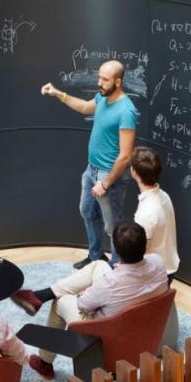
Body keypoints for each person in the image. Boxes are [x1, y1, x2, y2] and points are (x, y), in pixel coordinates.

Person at [10, 221, 169, 379]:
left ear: (117, 251)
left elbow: (83, 305)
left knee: (62, 301)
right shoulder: (159, 263)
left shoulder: (111, 283)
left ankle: (45, 363)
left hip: (106, 335)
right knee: (99, 265)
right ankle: (40, 295)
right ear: (145, 245)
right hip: (143, 326)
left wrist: (90, 292)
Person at [41, 59, 137, 267]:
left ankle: (116, 266)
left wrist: (106, 183)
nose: (99, 83)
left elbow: (125, 156)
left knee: (113, 225)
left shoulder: (126, 111)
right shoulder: (103, 98)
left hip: (109, 175)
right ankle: (95, 256)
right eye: (99, 77)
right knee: (87, 211)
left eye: (105, 79)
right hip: (91, 169)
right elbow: (85, 107)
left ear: (118, 82)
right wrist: (58, 93)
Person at [130, 146, 179, 280]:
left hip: (155, 274)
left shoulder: (146, 213)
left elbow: (140, 253)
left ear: (134, 172)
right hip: (169, 266)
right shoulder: (164, 196)